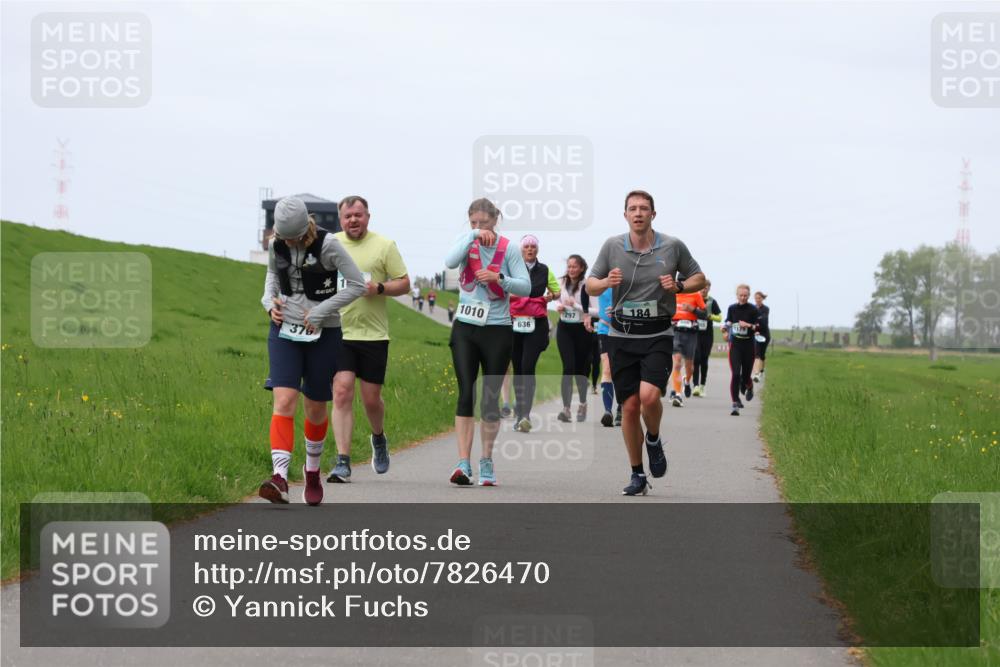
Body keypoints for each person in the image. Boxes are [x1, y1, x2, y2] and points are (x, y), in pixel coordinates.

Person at [587, 190, 705, 496]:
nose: (638, 213)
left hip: (657, 334)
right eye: (632, 209)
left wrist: (678, 285)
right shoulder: (612, 246)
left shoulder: (672, 246)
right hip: (621, 335)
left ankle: (652, 438)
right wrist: (606, 283)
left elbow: (699, 278)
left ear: (653, 214)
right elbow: (591, 284)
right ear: (624, 214)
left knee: (649, 397)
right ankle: (637, 473)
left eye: (643, 208)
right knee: (629, 407)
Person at [258, 196, 366, 505]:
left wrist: (321, 312)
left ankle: (312, 471)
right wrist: (269, 304)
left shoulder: (329, 245)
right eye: (283, 235)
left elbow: (357, 284)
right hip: (284, 331)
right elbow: (270, 278)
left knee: (315, 406)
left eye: (292, 236)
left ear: (305, 227)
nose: (287, 241)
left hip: (324, 333)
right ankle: (279, 478)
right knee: (284, 399)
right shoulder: (276, 243)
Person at [444, 198, 530, 486]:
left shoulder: (510, 249)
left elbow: (526, 286)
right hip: (466, 326)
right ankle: (463, 463)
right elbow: (449, 261)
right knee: (466, 392)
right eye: (474, 223)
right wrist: (470, 236)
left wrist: (499, 277)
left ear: (496, 220)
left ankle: (487, 460)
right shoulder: (466, 241)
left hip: (497, 328)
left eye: (484, 222)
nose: (480, 228)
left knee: (490, 398)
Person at [326, 196, 411, 483]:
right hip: (339, 331)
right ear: (340, 219)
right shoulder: (330, 244)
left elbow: (404, 282)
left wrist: (380, 288)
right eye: (348, 215)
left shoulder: (384, 246)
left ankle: (378, 438)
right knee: (341, 391)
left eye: (358, 215)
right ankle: (343, 461)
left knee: (371, 399)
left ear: (368, 217)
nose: (353, 220)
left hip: (373, 335)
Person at [509, 235, 560, 432]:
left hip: (536, 324)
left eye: (533, 246)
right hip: (514, 324)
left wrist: (551, 296)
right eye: (526, 246)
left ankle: (525, 414)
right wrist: (521, 298)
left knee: (527, 366)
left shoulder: (545, 270)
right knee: (518, 368)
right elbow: (502, 289)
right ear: (521, 250)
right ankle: (519, 407)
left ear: (537, 250)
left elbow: (556, 291)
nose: (530, 249)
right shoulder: (512, 268)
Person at [555, 255, 594, 422]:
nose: (571, 269)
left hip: (581, 330)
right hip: (564, 328)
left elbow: (596, 311)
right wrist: (560, 306)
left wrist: (576, 307)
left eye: (574, 267)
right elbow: (555, 299)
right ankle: (566, 409)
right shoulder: (561, 282)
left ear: (582, 268)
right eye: (569, 266)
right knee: (568, 367)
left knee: (580, 370)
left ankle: (583, 403)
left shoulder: (588, 286)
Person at [722, 284, 760, 417]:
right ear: (737, 295)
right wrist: (725, 330)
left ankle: (749, 386)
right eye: (740, 295)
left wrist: (749, 325)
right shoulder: (732, 308)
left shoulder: (753, 309)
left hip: (749, 346)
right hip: (735, 345)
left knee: (745, 377)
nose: (743, 298)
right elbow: (728, 321)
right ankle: (735, 402)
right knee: (736, 374)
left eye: (745, 295)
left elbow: (759, 327)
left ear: (749, 296)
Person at [668, 278, 706, 407]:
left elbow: (705, 314)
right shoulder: (672, 295)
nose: (680, 284)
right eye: (679, 281)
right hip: (676, 331)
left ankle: (687, 380)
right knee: (677, 363)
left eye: (683, 282)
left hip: (691, 333)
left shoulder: (695, 294)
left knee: (689, 366)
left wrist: (693, 309)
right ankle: (677, 394)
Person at [594, 286, 621, 427]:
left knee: (622, 369)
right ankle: (607, 411)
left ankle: (621, 407)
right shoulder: (601, 278)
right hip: (604, 329)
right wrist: (586, 314)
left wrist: (621, 310)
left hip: (625, 330)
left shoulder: (629, 277)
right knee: (607, 368)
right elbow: (588, 291)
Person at [692, 280, 722, 397]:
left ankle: (703, 385)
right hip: (695, 333)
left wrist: (710, 316)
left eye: (706, 288)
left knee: (704, 359)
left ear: (709, 289)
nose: (703, 290)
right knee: (696, 359)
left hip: (708, 334)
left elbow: (720, 318)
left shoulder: (712, 301)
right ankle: (695, 386)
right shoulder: (694, 299)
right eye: (702, 287)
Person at [752, 291, 770, 382]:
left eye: (759, 298)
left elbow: (763, 322)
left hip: (764, 334)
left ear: (762, 299)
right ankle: (757, 374)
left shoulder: (765, 309)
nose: (757, 300)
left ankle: (761, 371)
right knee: (757, 354)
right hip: (755, 333)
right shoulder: (752, 307)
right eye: (756, 298)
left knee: (761, 355)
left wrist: (756, 324)